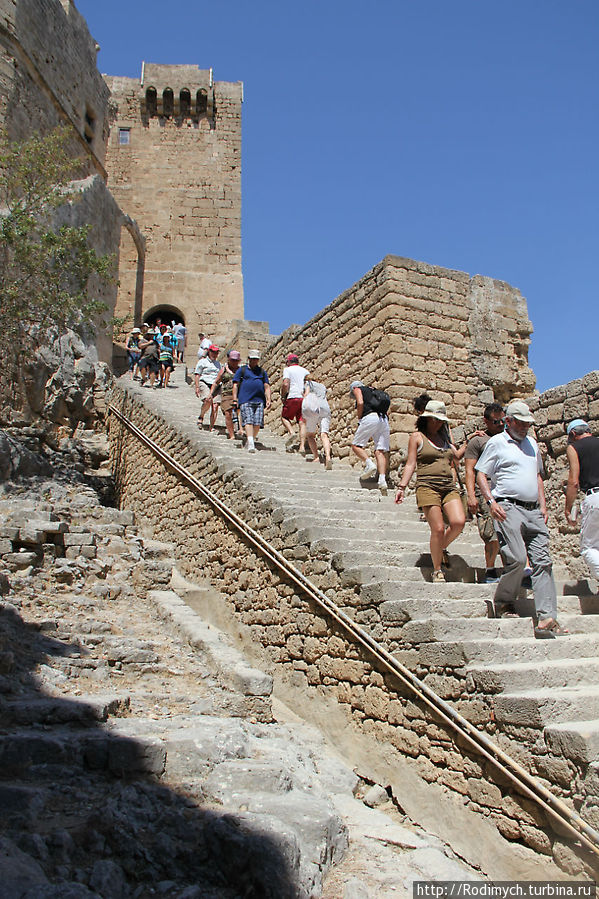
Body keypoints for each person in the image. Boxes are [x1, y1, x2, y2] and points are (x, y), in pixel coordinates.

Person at [475, 400, 566, 637]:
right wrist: (490, 502)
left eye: (528, 424)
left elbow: (537, 476)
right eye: (522, 423)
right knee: (515, 557)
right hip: (507, 506)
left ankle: (547, 617)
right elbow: (481, 474)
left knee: (543, 561)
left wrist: (543, 505)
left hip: (534, 510)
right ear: (509, 421)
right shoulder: (497, 443)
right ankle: (504, 601)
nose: (525, 427)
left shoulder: (533, 445)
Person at [395, 400, 465, 583]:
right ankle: (437, 569)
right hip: (427, 486)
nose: (437, 423)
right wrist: (402, 487)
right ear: (426, 418)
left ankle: (439, 548)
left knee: (458, 523)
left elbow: (456, 457)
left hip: (448, 486)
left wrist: (473, 440)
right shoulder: (417, 437)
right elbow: (410, 463)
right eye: (434, 419)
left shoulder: (446, 439)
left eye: (440, 420)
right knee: (438, 528)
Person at [464, 403, 506, 583]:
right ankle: (490, 570)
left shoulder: (511, 439)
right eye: (496, 422)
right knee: (491, 534)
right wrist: (472, 495)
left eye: (503, 420)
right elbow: (469, 470)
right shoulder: (478, 441)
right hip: (486, 491)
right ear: (486, 421)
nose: (500, 424)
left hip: (507, 490)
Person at [565, 419, 599, 583]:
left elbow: (573, 481)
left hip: (595, 498)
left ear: (572, 434)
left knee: (589, 548)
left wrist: (568, 507)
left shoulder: (574, 448)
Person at [350, 381, 390, 495]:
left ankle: (369, 464)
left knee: (356, 446)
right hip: (384, 419)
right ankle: (382, 480)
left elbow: (360, 403)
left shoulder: (358, 389)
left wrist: (359, 418)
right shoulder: (374, 391)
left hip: (370, 417)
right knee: (380, 450)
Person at [232, 350, 271, 453]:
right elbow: (235, 385)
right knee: (248, 420)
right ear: (248, 359)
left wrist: (268, 399)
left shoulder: (262, 372)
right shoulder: (242, 370)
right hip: (245, 399)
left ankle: (251, 439)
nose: (254, 361)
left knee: (257, 423)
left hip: (259, 400)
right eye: (252, 359)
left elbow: (266, 386)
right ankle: (251, 443)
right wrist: (235, 399)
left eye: (256, 359)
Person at [281, 353, 310, 453]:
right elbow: (309, 384)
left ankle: (292, 432)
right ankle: (302, 447)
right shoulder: (305, 371)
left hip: (292, 396)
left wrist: (283, 395)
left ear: (288, 362)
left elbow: (285, 384)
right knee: (302, 422)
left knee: (284, 417)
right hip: (304, 398)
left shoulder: (287, 370)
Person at [210, 349, 242, 439]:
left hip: (239, 394)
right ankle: (232, 435)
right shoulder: (224, 370)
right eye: (232, 360)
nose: (234, 362)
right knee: (228, 413)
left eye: (236, 360)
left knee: (239, 412)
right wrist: (211, 393)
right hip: (226, 394)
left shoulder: (241, 370)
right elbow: (216, 382)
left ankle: (239, 429)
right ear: (229, 359)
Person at [302, 379, 332, 470]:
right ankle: (328, 457)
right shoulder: (322, 386)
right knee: (324, 434)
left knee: (310, 435)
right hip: (325, 408)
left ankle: (316, 457)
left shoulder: (308, 383)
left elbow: (306, 394)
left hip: (314, 408)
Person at [194, 344, 222, 430]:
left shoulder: (218, 364)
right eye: (213, 352)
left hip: (216, 385)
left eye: (216, 352)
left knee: (215, 405)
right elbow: (197, 374)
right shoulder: (202, 362)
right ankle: (201, 416)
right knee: (208, 400)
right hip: (205, 382)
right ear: (209, 352)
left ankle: (211, 426)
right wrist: (197, 387)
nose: (215, 354)